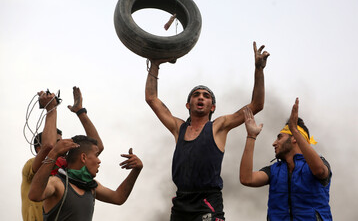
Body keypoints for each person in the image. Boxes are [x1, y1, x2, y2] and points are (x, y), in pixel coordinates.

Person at [145, 42, 270, 221]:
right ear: (188, 105)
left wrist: (259, 70)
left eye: (206, 95)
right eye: (196, 95)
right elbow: (151, 98)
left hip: (208, 201)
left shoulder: (219, 126)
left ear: (213, 107)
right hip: (181, 202)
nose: (201, 97)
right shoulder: (178, 128)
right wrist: (155, 65)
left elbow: (256, 105)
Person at [240, 98, 332, 221]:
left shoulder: (317, 163)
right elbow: (247, 179)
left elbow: (320, 171)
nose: (274, 143)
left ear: (294, 139)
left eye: (279, 137)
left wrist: (294, 129)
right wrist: (251, 136)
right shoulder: (274, 170)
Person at [21, 87, 104, 221]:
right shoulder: (31, 166)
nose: (59, 146)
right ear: (38, 149)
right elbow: (48, 147)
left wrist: (81, 112)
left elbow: (96, 148)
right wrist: (51, 110)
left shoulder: (63, 168)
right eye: (57, 142)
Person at [28, 135, 143, 220]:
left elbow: (118, 198)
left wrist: (136, 170)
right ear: (83, 157)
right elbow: (34, 195)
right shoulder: (57, 183)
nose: (99, 160)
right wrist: (53, 154)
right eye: (96, 155)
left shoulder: (91, 186)